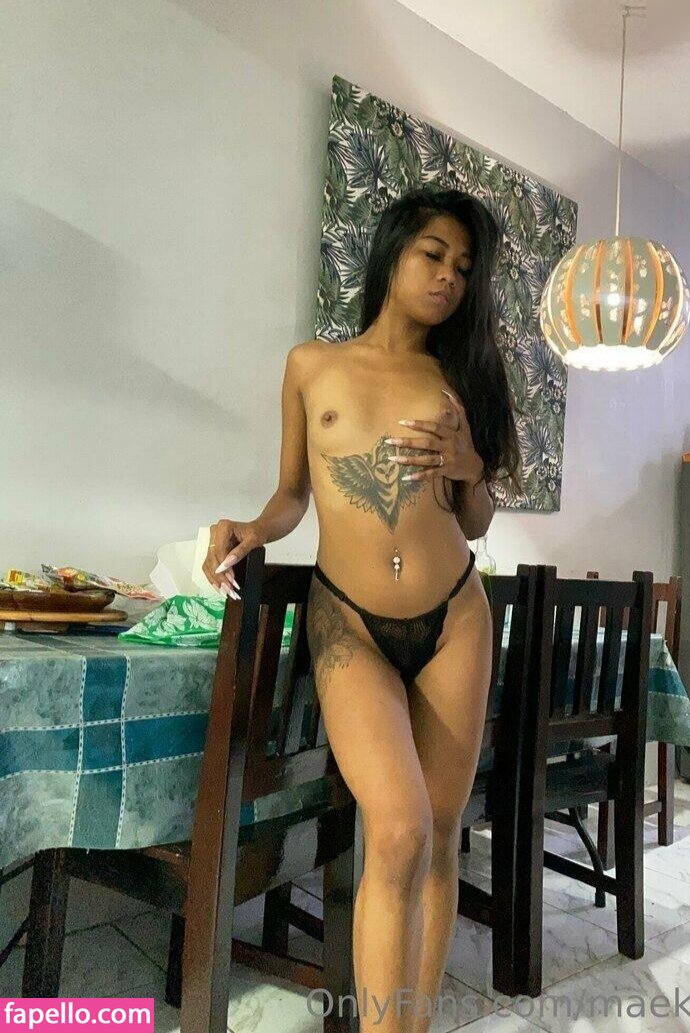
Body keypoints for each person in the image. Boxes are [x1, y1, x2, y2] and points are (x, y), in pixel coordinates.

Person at [204, 187, 521, 1032]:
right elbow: (292, 494)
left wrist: (470, 469)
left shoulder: (462, 376)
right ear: (392, 251)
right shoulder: (311, 365)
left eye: (464, 268)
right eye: (433, 254)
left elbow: (476, 521)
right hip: (348, 619)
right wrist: (252, 527)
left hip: (456, 616)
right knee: (400, 825)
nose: (448, 277)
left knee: (441, 830)